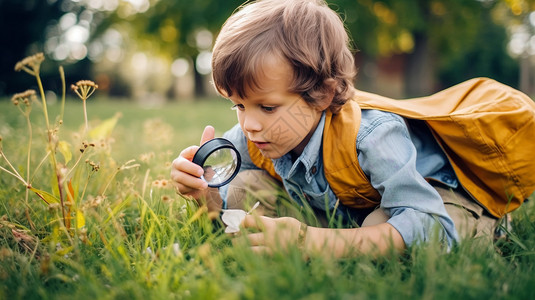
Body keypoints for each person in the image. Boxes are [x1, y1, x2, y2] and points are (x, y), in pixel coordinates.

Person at [171, 0, 514, 258]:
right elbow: (227, 204)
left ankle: (486, 228)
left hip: (433, 201)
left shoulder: (373, 135)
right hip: (348, 206)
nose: (248, 124)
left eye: (268, 107)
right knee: (246, 187)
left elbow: (429, 224)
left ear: (322, 95)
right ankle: (338, 242)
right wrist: (207, 196)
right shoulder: (256, 133)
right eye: (239, 105)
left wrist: (312, 241)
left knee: (385, 226)